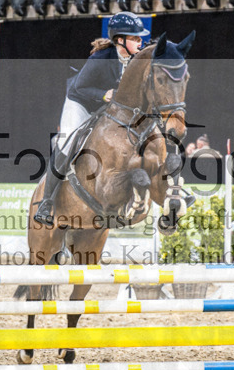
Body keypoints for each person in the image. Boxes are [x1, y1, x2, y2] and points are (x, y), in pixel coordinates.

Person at [34, 12, 150, 225]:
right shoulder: (101, 58)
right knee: (67, 143)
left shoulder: (135, 60)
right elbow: (80, 87)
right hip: (81, 104)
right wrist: (104, 95)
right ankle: (46, 202)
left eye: (139, 38)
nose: (139, 42)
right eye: (135, 38)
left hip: (107, 110)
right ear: (120, 40)